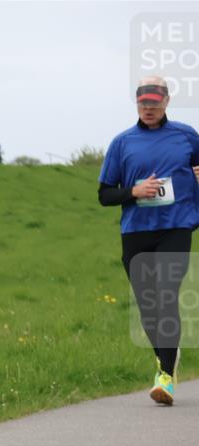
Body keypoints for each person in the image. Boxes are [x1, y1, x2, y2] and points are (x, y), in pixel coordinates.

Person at [98, 75, 199, 405]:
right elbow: (105, 194)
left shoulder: (186, 136)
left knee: (166, 294)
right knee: (149, 305)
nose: (149, 108)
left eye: (155, 102)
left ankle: (165, 378)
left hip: (176, 227)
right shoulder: (122, 143)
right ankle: (166, 354)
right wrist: (133, 191)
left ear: (166, 102)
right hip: (136, 231)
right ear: (137, 104)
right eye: (144, 103)